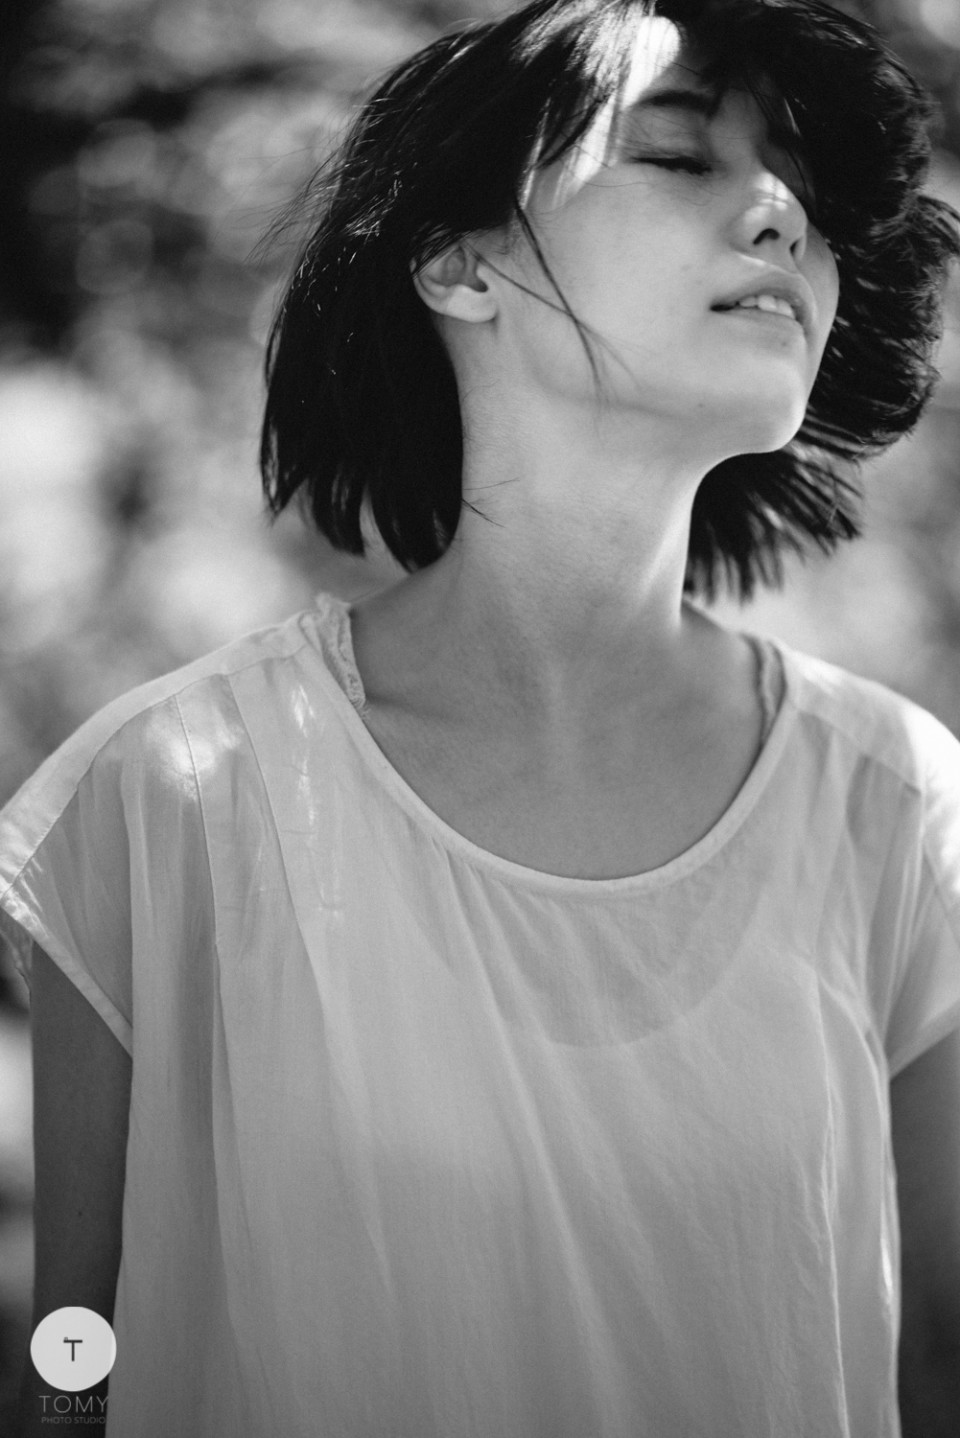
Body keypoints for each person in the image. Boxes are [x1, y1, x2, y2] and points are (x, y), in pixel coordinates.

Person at [3, 0, 960, 1433]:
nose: (781, 213)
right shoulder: (172, 794)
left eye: (809, 194)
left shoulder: (897, 802)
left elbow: (940, 1352)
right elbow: (75, 1345)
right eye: (679, 156)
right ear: (462, 263)